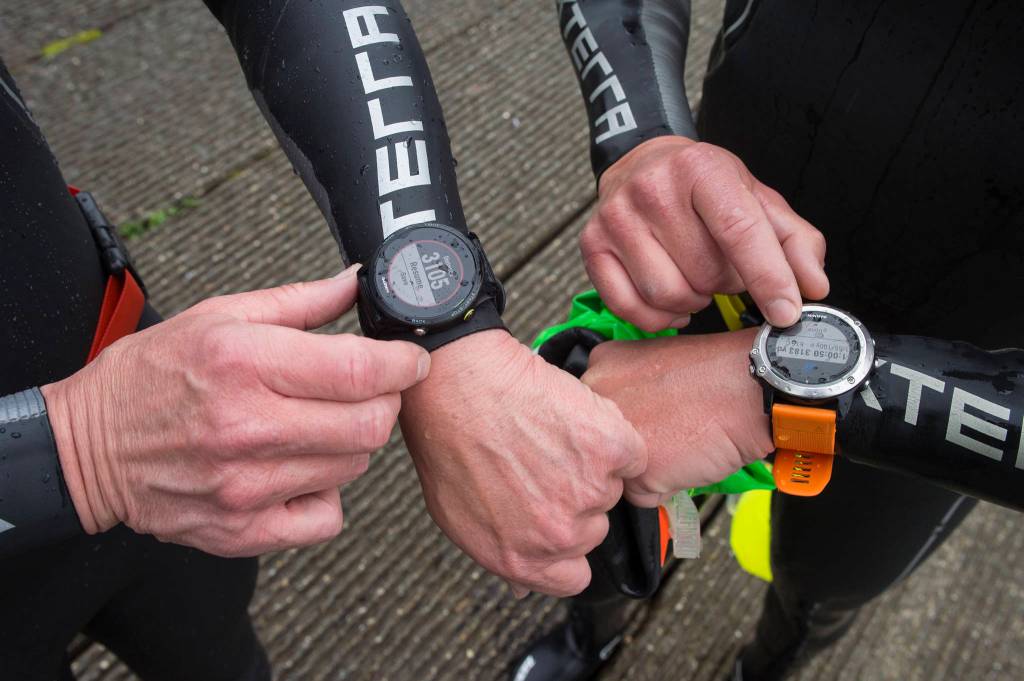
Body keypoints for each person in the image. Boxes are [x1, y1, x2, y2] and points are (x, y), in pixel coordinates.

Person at [1, 1, 650, 678]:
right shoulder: (104, 441)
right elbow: (90, 446)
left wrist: (451, 330)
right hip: (117, 453)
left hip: (148, 421)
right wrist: (84, 446)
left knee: (223, 652)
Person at [512, 1, 1024, 680]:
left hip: (945, 402)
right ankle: (592, 635)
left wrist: (802, 392)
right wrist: (643, 136)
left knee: (819, 580)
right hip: (707, 265)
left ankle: (764, 669)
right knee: (607, 510)